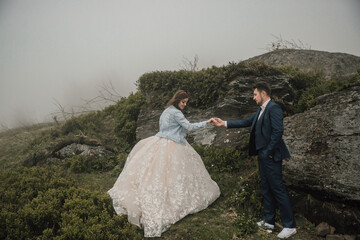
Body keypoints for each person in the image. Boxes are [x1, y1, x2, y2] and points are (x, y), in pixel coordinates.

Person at [108, 90, 220, 238]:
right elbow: (190, 127)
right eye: (183, 102)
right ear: (177, 101)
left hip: (159, 141)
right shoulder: (176, 113)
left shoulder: (167, 111)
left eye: (186, 102)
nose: (185, 105)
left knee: (156, 172)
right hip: (173, 144)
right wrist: (208, 121)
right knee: (173, 173)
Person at [212, 82, 296, 239]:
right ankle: (268, 221)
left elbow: (278, 131)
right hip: (262, 155)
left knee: (277, 189)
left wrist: (269, 152)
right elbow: (246, 122)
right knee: (265, 187)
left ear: (263, 93)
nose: (253, 97)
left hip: (271, 155)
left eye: (255, 94)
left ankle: (290, 226)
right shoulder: (261, 109)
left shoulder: (274, 108)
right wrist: (224, 123)